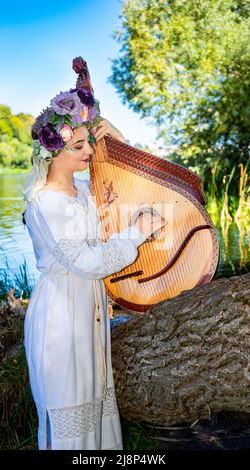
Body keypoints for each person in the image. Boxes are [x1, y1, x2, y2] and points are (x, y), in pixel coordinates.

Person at [21, 80, 166, 450]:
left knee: (95, 407)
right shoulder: (45, 202)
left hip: (90, 310)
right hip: (60, 317)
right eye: (79, 145)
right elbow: (86, 261)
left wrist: (115, 136)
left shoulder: (85, 191)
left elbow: (137, 179)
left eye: (90, 142)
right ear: (53, 151)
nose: (89, 151)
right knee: (71, 410)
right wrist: (134, 235)